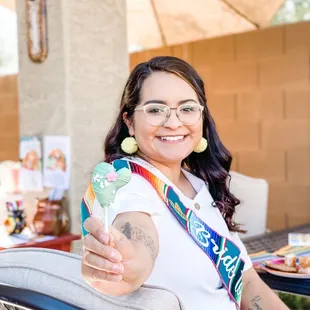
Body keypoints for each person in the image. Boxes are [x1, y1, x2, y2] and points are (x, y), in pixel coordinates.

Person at [81, 56, 289, 310]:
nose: (174, 122)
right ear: (129, 122)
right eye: (156, 110)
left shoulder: (199, 185)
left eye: (187, 108)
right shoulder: (126, 182)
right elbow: (135, 239)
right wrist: (124, 264)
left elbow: (246, 282)